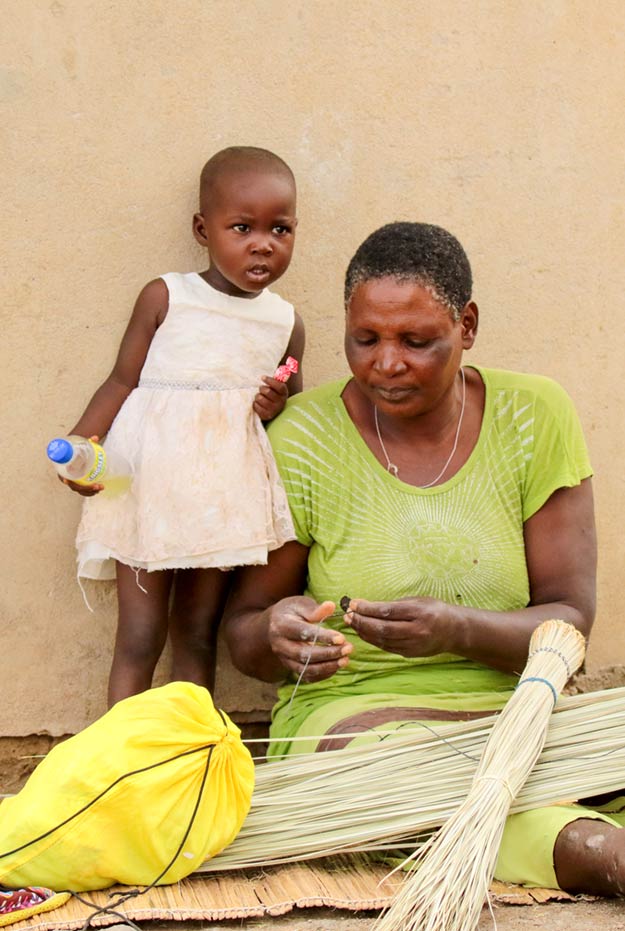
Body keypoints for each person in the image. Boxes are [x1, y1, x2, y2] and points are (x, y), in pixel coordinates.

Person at [223, 221, 625, 897]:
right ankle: (591, 849)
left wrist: (455, 629)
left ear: (466, 325)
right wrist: (276, 632)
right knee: (408, 786)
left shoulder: (533, 416)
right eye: (364, 339)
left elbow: (568, 627)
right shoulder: (304, 438)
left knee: (570, 753)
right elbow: (243, 633)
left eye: (416, 341)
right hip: (362, 726)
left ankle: (563, 829)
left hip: (518, 712)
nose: (385, 362)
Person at [59, 145, 305, 706]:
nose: (262, 243)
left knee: (196, 635)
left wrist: (275, 402)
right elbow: (122, 381)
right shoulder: (166, 297)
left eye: (281, 229)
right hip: (147, 488)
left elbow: (291, 393)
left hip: (222, 499)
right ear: (203, 228)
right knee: (140, 635)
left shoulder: (286, 324)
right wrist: (80, 444)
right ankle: (118, 763)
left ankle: (186, 757)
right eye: (242, 227)